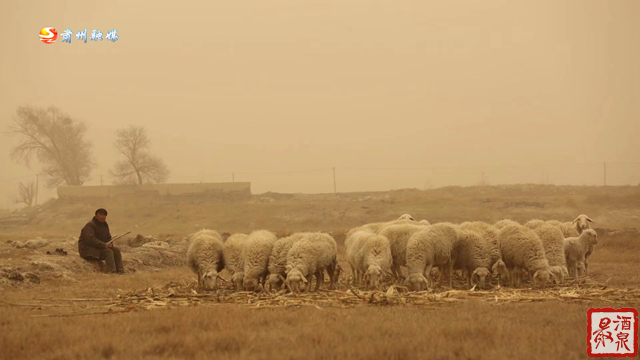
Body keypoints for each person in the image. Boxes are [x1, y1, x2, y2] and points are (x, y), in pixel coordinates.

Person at [78, 208, 124, 274]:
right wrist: (104, 245)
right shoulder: (90, 225)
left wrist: (110, 243)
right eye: (101, 214)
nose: (103, 216)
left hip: (98, 248)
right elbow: (90, 240)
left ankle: (120, 271)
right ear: (96, 216)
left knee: (116, 250)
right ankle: (112, 272)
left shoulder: (104, 226)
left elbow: (108, 238)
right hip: (88, 250)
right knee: (108, 252)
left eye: (104, 215)